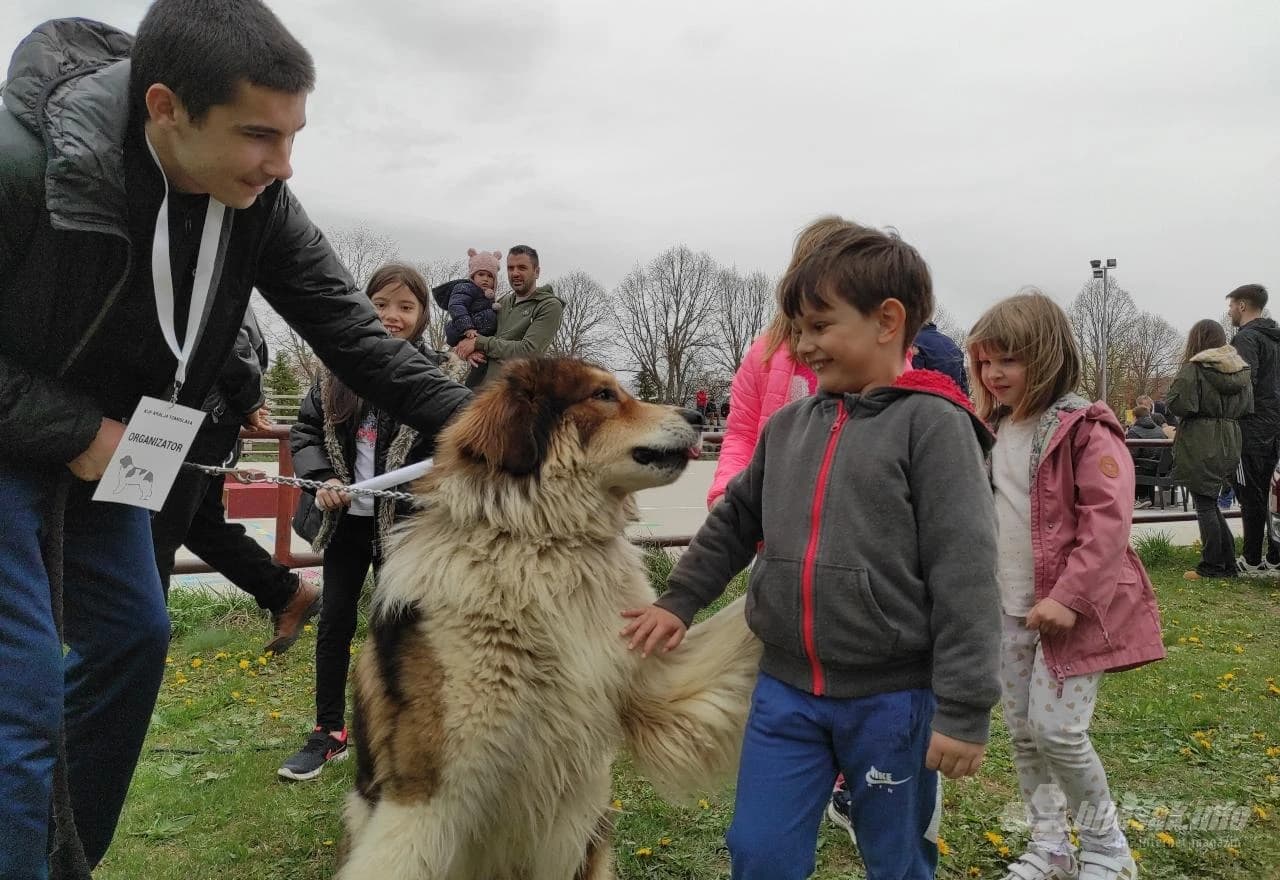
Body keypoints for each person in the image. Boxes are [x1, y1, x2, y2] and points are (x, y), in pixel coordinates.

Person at [0, 5, 470, 876]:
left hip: (116, 449)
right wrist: (72, 428)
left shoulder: (259, 201)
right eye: (259, 135)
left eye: (293, 136)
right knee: (19, 698)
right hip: (21, 434)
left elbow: (352, 333)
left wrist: (489, 424)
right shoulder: (22, 165)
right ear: (166, 107)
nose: (282, 164)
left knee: (134, 639)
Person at [622, 217, 1000, 880]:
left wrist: (964, 710)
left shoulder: (936, 428)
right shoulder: (789, 427)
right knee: (758, 850)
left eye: (820, 326)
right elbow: (735, 521)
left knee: (897, 858)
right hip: (784, 690)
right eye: (797, 329)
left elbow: (965, 572)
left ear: (887, 321)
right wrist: (678, 600)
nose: (802, 345)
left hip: (893, 701)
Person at [968, 291, 1164, 880]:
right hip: (1009, 609)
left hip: (1069, 612)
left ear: (1047, 356)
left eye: (1008, 359)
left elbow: (1108, 522)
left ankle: (1109, 850)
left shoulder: (1084, 429)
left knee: (1058, 731)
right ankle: (1051, 846)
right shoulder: (989, 429)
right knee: (1023, 734)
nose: (994, 373)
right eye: (984, 361)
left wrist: (1069, 598)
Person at [280, 264, 442, 782]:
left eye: (406, 307)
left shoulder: (435, 377)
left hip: (405, 528)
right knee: (335, 623)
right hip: (345, 523)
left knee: (401, 627)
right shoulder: (335, 369)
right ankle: (329, 731)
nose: (393, 316)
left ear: (422, 316)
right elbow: (306, 432)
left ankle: (400, 729)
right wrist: (321, 477)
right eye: (381, 304)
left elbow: (452, 445)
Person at [150, 309, 321, 653]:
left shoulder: (206, 280)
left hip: (192, 413)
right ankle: (286, 591)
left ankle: (139, 644)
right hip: (192, 410)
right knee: (200, 526)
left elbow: (226, 333)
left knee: (155, 531)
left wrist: (248, 399)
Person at [1169, 320, 1252, 580]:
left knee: (1204, 504)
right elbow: (1248, 407)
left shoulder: (1195, 369)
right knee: (1210, 502)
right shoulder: (1241, 370)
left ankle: (1212, 565)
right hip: (1230, 438)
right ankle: (1227, 563)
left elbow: (1178, 404)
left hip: (1201, 439)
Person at [1225, 283, 1280, 575]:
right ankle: (1275, 556)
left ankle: (1251, 559)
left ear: (1243, 305)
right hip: (1275, 427)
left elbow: (1244, 383)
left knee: (1250, 494)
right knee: (1274, 495)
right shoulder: (1275, 338)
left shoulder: (1246, 338)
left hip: (1251, 428)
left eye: (1231, 305)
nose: (1229, 311)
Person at [454, 245, 564, 388]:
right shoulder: (501, 302)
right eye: (510, 268)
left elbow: (529, 351)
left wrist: (480, 343)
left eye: (522, 268)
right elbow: (474, 334)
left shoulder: (549, 306)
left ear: (536, 272)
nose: (515, 273)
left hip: (510, 394)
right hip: (476, 388)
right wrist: (468, 351)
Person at [431, 247, 501, 347]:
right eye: (481, 274)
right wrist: (467, 327)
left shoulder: (488, 296)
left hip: (479, 337)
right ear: (473, 276)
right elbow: (456, 306)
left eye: (490, 276)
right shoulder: (465, 288)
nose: (485, 279)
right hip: (464, 332)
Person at [1125, 404, 1168, 508]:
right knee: (1143, 464)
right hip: (1163, 469)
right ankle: (1146, 498)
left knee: (1126, 467)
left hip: (1147, 468)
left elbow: (1132, 455)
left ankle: (1140, 498)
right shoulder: (1159, 429)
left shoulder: (1134, 431)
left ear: (1135, 417)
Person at [911, 320, 969, 395]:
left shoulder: (915, 341)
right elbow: (963, 384)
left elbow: (914, 379)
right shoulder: (950, 342)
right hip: (952, 397)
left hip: (929, 397)